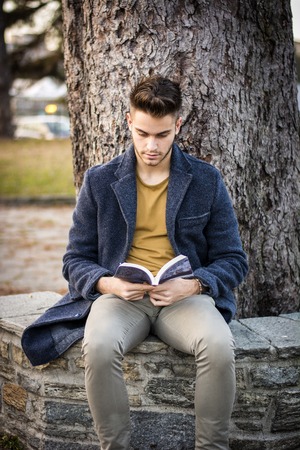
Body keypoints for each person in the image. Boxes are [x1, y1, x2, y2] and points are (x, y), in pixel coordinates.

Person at [62, 75, 248, 450]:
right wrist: (108, 283)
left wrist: (195, 284)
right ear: (129, 121)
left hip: (184, 298)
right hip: (121, 298)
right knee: (97, 345)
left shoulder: (205, 180)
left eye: (162, 135)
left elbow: (233, 259)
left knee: (217, 344)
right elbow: (75, 259)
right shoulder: (99, 181)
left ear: (177, 125)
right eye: (143, 132)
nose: (151, 145)